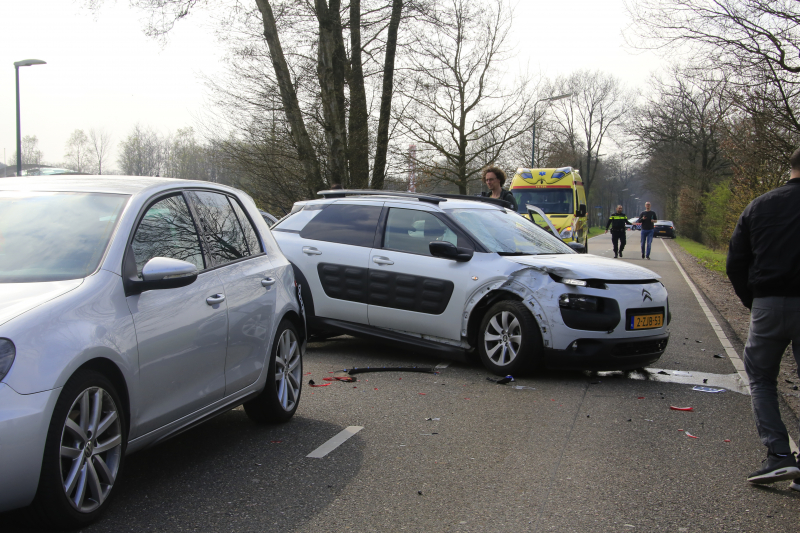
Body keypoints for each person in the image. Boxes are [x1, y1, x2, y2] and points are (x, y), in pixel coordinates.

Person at [727, 146, 800, 486]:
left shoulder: (759, 205)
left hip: (768, 304)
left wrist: (752, 301)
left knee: (760, 378)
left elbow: (736, 261)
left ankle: (779, 454)